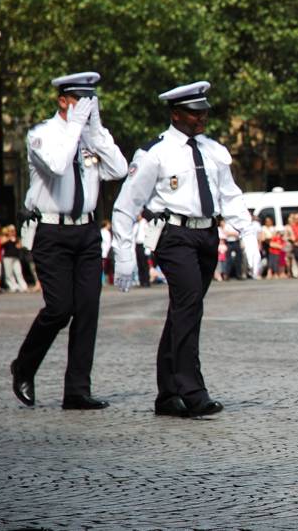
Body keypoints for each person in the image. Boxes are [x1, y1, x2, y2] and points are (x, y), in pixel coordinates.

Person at [111, 80, 260, 418]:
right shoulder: (155, 153)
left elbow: (230, 194)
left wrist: (247, 232)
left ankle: (167, 394)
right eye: (194, 113)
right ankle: (193, 391)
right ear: (176, 114)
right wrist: (122, 253)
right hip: (173, 234)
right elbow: (125, 204)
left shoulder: (213, 150)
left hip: (207, 234)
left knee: (183, 309)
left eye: (204, 112)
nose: (201, 118)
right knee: (189, 305)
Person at [11, 71, 127, 410]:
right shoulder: (42, 135)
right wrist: (77, 128)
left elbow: (118, 169)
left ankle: (77, 390)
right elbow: (59, 165)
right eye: (81, 101)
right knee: (60, 309)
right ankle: (24, 366)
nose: (87, 108)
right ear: (63, 101)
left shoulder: (90, 137)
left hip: (87, 230)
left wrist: (96, 132)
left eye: (92, 102)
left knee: (88, 309)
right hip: (52, 232)